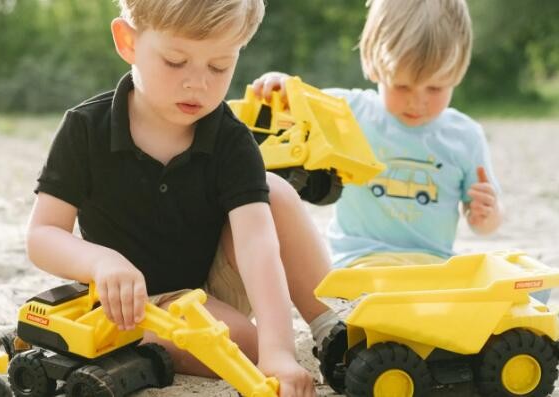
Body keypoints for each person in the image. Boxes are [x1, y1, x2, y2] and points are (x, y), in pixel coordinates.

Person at [27, 1, 339, 396]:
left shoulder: (230, 138)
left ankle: (331, 326)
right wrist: (101, 261)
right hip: (128, 302)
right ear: (128, 42)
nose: (198, 83)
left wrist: (279, 351)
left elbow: (257, 244)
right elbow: (42, 235)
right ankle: (129, 353)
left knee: (274, 191)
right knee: (242, 342)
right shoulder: (86, 128)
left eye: (219, 66)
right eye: (175, 61)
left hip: (211, 282)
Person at [252, 0, 503, 269]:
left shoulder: (465, 136)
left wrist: (484, 216)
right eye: (402, 86)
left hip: (432, 267)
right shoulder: (348, 112)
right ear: (374, 64)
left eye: (435, 88)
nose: (417, 102)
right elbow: (296, 102)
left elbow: (486, 224)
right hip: (358, 262)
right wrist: (279, 84)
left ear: (458, 72)